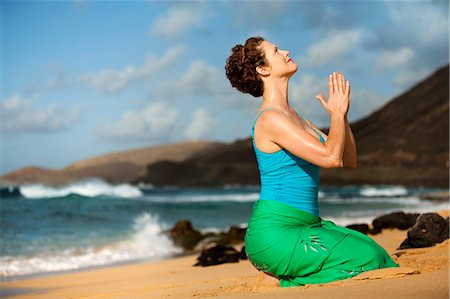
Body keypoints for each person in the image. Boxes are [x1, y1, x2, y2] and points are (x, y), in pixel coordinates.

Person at [224, 36, 400, 288]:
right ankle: (279, 281)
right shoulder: (270, 119)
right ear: (263, 69)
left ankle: (282, 273)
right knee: (367, 259)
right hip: (275, 233)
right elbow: (330, 158)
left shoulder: (297, 117)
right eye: (276, 51)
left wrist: (341, 117)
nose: (286, 51)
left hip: (308, 225)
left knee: (374, 250)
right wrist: (336, 115)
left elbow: (347, 159)